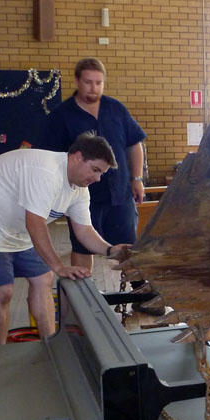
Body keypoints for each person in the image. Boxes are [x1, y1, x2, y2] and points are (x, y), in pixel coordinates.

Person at [0, 133, 129, 346]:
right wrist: (60, 267)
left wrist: (110, 250)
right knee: (2, 291)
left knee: (43, 279)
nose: (97, 178)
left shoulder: (79, 189)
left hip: (15, 229)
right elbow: (35, 223)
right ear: (78, 157)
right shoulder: (47, 171)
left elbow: (85, 230)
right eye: (95, 170)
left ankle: (50, 345)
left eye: (101, 173)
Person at [39, 57, 146, 271]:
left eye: (98, 83)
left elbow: (134, 144)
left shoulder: (116, 109)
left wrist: (137, 178)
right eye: (88, 82)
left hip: (120, 193)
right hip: (82, 195)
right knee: (82, 247)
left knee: (128, 246)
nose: (93, 87)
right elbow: (50, 156)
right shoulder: (61, 115)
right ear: (77, 81)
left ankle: (139, 294)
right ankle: (84, 294)